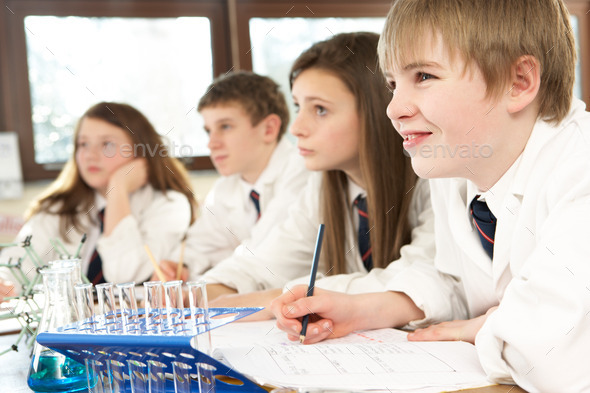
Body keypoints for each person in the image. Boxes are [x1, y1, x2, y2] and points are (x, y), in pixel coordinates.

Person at [271, 0, 590, 391]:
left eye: (423, 76)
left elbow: (559, 352)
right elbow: (453, 280)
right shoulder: (455, 169)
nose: (393, 109)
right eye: (392, 84)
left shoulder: (580, 167)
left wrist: (487, 326)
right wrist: (359, 309)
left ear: (518, 82)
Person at [203, 32, 434, 310]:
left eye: (320, 110)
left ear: (377, 110)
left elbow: (420, 280)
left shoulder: (434, 178)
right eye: (299, 106)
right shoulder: (323, 186)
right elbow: (263, 264)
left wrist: (285, 295)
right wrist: (195, 296)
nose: (296, 128)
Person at [0, 102, 197, 300]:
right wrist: (4, 284)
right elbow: (16, 265)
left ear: (140, 151)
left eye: (107, 144)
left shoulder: (169, 204)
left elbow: (123, 274)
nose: (90, 155)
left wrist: (117, 188)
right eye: (83, 144)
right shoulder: (57, 207)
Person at [155, 71, 309, 282]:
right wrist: (181, 266)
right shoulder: (225, 188)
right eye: (208, 131)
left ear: (269, 129)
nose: (212, 143)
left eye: (225, 127)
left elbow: (260, 253)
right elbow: (199, 245)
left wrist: (203, 285)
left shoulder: (302, 170)